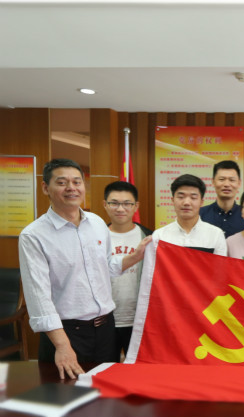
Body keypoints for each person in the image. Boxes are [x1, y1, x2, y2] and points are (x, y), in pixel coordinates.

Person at [18, 159, 150, 379]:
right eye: (62, 182)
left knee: (106, 389)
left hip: (106, 329)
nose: (71, 188)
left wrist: (135, 256)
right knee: (65, 393)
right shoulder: (33, 236)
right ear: (45, 188)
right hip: (67, 333)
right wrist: (62, 345)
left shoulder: (97, 223)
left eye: (77, 182)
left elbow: (106, 267)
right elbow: (38, 297)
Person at [103, 181, 153, 359]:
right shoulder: (95, 238)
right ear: (105, 205)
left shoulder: (150, 238)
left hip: (139, 319)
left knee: (138, 369)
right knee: (105, 368)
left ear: (136, 206)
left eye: (127, 204)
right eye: (114, 203)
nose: (120, 209)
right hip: (104, 320)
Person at [152, 174, 227, 256]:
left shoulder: (215, 235)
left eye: (193, 198)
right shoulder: (159, 236)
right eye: (181, 197)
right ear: (173, 200)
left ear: (201, 202)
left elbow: (220, 264)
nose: (186, 203)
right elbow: (150, 264)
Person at [199, 160, 244, 238]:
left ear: (239, 183)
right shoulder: (200, 214)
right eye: (221, 179)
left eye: (232, 180)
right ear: (213, 182)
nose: (226, 184)